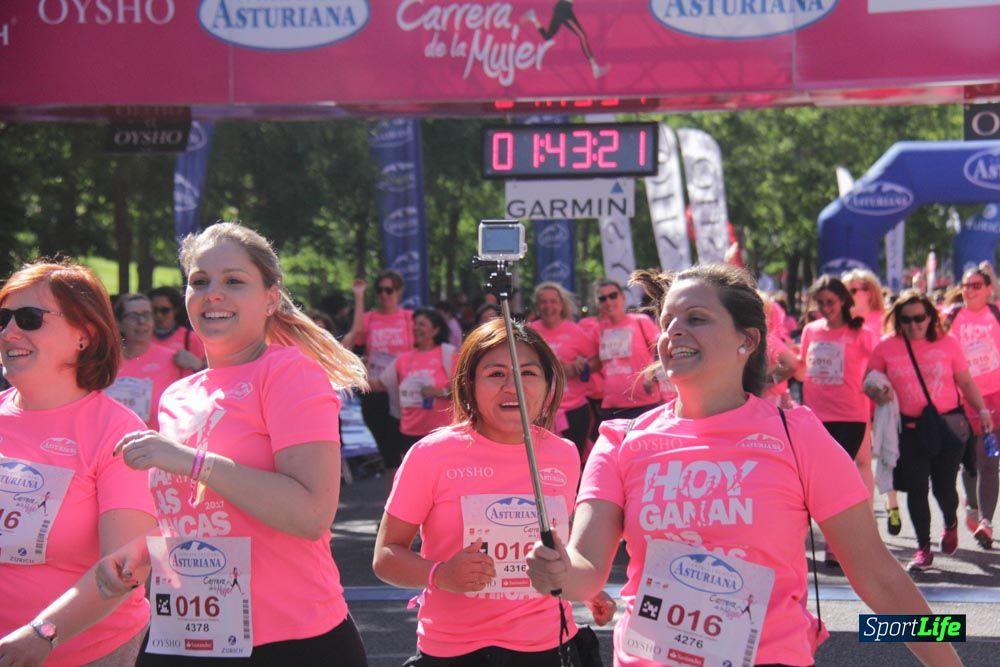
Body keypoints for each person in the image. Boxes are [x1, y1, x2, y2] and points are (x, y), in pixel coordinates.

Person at [526, 264, 962, 667]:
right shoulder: (620, 442)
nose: (674, 332)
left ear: (747, 340)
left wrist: (949, 662)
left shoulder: (797, 435)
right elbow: (584, 571)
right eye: (667, 323)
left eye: (696, 318)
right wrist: (558, 570)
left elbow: (879, 576)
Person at [101, 222, 369, 665]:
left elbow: (311, 514)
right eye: (199, 281)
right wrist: (139, 552)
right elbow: (192, 514)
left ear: (270, 297)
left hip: (290, 642)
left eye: (234, 281)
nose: (213, 293)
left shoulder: (288, 373)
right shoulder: (178, 395)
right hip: (185, 635)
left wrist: (193, 462)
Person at [372, 319, 606, 665]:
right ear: (469, 385)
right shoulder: (431, 454)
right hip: (455, 649)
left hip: (550, 645)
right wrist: (440, 575)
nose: (512, 387)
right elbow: (385, 557)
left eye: (528, 373)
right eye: (496, 374)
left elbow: (559, 542)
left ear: (548, 384)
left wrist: (585, 585)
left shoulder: (565, 454)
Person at [0, 261, 157, 667]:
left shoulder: (116, 432)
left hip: (89, 654)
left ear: (83, 336)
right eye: (3, 318)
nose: (9, 331)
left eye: (30, 318)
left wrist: (42, 635)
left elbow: (128, 564)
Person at [866, 289, 991, 571]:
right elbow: (870, 379)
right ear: (898, 319)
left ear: (930, 317)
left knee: (945, 487)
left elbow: (966, 382)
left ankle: (950, 522)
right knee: (916, 489)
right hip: (909, 431)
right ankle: (923, 548)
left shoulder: (948, 343)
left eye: (919, 318)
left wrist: (982, 410)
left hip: (947, 427)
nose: (913, 324)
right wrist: (876, 390)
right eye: (906, 319)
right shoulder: (887, 346)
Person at [797, 276, 875, 565]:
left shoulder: (861, 334)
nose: (826, 308)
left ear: (843, 301)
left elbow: (877, 368)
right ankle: (830, 541)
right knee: (816, 482)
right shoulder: (810, 330)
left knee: (839, 480)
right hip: (815, 416)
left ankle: (837, 544)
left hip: (850, 415)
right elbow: (803, 369)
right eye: (820, 303)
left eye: (830, 302)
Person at [942, 266, 1000, 549]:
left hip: (996, 398)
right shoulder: (951, 316)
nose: (970, 290)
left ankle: (986, 523)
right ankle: (973, 507)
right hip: (961, 399)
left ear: (989, 288)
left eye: (977, 285)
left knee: (989, 458)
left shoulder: (996, 313)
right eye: (966, 285)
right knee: (970, 461)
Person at [344, 273, 414, 483]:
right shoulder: (369, 319)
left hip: (405, 394)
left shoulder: (409, 318)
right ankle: (394, 507)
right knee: (389, 453)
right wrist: (359, 296)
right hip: (376, 392)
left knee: (409, 450)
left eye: (389, 290)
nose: (384, 295)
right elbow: (354, 338)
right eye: (380, 290)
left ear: (399, 291)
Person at [372, 307, 458, 459]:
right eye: (415, 324)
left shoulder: (447, 354)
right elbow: (379, 384)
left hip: (442, 431)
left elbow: (462, 390)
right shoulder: (403, 360)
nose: (416, 328)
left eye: (422, 324)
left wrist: (439, 392)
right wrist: (356, 369)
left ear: (435, 330)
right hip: (410, 432)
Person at [529, 282, 600, 457]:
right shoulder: (530, 332)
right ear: (537, 306)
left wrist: (581, 368)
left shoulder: (575, 331)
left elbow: (596, 362)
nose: (548, 306)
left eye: (553, 301)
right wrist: (558, 368)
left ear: (561, 304)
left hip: (573, 410)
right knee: (542, 464)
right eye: (543, 302)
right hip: (539, 410)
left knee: (572, 461)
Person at [843, 268, 889, 520]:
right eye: (846, 290)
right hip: (850, 400)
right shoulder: (839, 322)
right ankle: (858, 519)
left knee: (871, 461)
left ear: (869, 292)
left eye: (854, 290)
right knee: (853, 462)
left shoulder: (882, 319)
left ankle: (876, 513)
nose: (849, 296)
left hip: (878, 399)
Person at [105, 293, 183, 429]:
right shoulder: (104, 361)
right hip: (111, 442)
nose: (141, 321)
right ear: (118, 323)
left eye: (147, 315)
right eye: (133, 316)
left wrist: (198, 365)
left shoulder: (175, 360)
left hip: (156, 445)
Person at [593, 279, 663, 422]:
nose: (608, 301)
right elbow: (597, 364)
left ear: (622, 297)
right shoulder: (598, 329)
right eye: (602, 298)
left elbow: (660, 350)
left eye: (613, 296)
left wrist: (651, 374)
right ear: (598, 304)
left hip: (644, 402)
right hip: (611, 405)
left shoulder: (640, 321)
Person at [522, 1, 608, 78]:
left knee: (547, 36)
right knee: (583, 37)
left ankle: (533, 17)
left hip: (563, 9)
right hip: (563, 10)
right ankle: (595, 68)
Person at [149, 285, 206, 375]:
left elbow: (207, 369)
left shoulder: (189, 337)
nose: (158, 315)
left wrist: (196, 364)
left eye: (164, 310)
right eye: (154, 310)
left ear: (175, 310)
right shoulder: (143, 337)